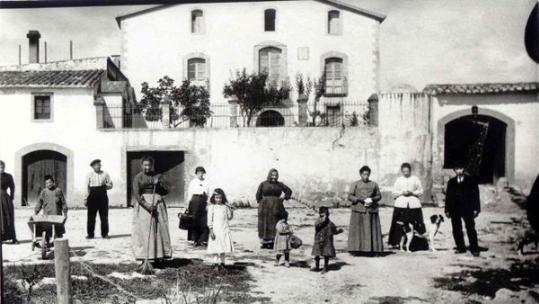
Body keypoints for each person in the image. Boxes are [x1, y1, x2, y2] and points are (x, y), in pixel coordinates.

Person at [132, 156, 172, 264]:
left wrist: (160, 184)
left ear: (152, 165)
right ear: (141, 165)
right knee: (145, 230)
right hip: (144, 205)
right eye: (145, 165)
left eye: (149, 165)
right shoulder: (138, 177)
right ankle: (146, 257)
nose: (147, 167)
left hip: (157, 203)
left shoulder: (158, 176)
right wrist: (147, 205)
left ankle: (159, 256)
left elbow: (167, 190)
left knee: (159, 229)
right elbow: (137, 194)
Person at [445, 162, 481, 257]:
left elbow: (476, 195)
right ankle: (460, 247)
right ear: (454, 170)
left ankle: (474, 248)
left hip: (467, 208)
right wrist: (447, 210)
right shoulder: (451, 182)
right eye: (456, 169)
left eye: (460, 168)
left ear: (463, 169)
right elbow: (448, 196)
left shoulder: (471, 180)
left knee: (470, 228)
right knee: (456, 228)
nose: (459, 171)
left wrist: (476, 209)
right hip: (455, 208)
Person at [388, 163, 425, 251]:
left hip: (413, 204)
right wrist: (402, 192)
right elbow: (394, 191)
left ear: (410, 171)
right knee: (399, 224)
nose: (406, 173)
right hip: (401, 204)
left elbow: (421, 190)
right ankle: (396, 243)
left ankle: (415, 244)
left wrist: (412, 192)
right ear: (402, 171)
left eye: (407, 171)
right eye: (404, 171)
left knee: (415, 224)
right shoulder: (399, 180)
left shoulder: (415, 179)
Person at [347, 166, 383, 254]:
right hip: (358, 210)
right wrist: (359, 200)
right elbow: (350, 196)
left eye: (367, 174)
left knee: (371, 229)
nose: (366, 176)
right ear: (360, 174)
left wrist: (372, 199)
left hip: (371, 210)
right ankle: (356, 249)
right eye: (364, 174)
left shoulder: (374, 184)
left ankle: (372, 249)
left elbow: (379, 195)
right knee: (358, 230)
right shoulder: (355, 184)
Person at [256, 168, 292, 249]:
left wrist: (284, 197)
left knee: (275, 223)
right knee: (264, 223)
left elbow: (289, 191)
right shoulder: (263, 184)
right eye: (272, 175)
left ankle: (273, 242)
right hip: (264, 207)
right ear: (269, 175)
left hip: (277, 206)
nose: (274, 177)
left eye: (276, 175)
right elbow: (258, 195)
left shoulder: (280, 184)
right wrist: (261, 203)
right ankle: (264, 242)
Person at [84, 159, 113, 239]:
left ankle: (105, 234)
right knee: (91, 216)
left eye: (99, 165)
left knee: (104, 216)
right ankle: (90, 234)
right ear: (92, 167)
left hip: (102, 195)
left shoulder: (105, 174)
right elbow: (87, 187)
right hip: (92, 195)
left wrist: (105, 187)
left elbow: (111, 184)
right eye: (96, 165)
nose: (98, 166)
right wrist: (85, 198)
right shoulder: (89, 175)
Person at [207, 188, 234, 269]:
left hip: (224, 229)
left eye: (220, 198)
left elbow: (229, 218)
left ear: (223, 198)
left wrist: (231, 210)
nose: (218, 200)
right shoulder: (212, 207)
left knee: (223, 247)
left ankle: (222, 263)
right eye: (216, 198)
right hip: (215, 230)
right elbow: (209, 220)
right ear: (213, 198)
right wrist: (211, 230)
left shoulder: (225, 207)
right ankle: (215, 263)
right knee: (215, 247)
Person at [311, 207, 344, 273]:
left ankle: (325, 267)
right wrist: (322, 221)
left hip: (327, 241)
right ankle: (317, 266)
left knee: (326, 254)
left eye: (325, 215)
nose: (324, 217)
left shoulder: (330, 223)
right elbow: (317, 225)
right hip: (318, 240)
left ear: (328, 215)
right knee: (317, 254)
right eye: (322, 215)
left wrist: (339, 231)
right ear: (320, 214)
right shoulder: (318, 221)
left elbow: (334, 231)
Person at [186, 166, 210, 247]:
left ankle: (203, 240)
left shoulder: (207, 182)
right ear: (196, 173)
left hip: (203, 201)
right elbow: (189, 193)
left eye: (202, 172)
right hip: (194, 201)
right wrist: (188, 204)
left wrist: (208, 203)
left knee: (204, 221)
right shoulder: (193, 182)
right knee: (194, 220)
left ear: (204, 173)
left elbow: (208, 194)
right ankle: (195, 240)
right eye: (199, 172)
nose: (200, 174)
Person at [0, 160, 18, 244]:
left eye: (2, 167)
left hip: (5, 199)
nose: (1, 169)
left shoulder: (8, 176)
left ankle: (12, 237)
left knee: (8, 217)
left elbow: (12, 187)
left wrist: (11, 197)